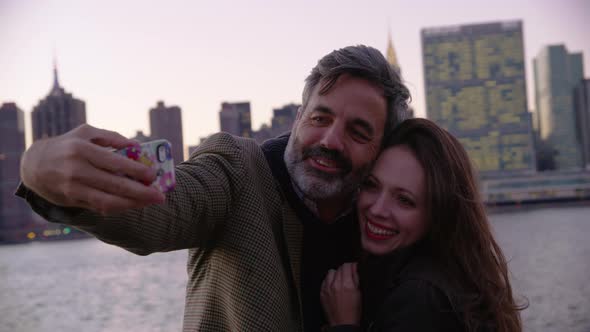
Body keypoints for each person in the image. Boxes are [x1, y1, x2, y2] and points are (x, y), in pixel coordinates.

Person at [16, 45, 411, 331]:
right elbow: (164, 209)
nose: (330, 140)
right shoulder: (237, 170)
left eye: (358, 132)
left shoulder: (384, 220)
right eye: (320, 117)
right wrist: (40, 167)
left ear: (382, 149)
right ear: (299, 116)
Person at [320, 119, 525, 331]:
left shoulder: (421, 298)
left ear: (438, 213)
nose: (377, 209)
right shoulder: (451, 273)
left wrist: (343, 324)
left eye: (404, 200)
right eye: (371, 185)